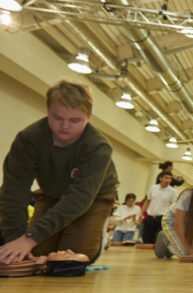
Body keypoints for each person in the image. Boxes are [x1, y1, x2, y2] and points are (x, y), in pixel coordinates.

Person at [0, 80, 118, 264]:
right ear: (48, 112)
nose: (65, 126)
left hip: (94, 198)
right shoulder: (28, 139)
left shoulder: (98, 147)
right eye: (57, 118)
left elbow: (79, 198)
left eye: (75, 120)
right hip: (51, 194)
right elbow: (14, 191)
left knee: (72, 257)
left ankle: (97, 241)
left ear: (89, 117)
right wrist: (16, 239)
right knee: (37, 253)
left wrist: (30, 238)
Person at [142, 172, 177, 244]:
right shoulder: (153, 188)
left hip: (162, 218)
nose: (168, 180)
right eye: (166, 178)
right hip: (150, 217)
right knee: (146, 240)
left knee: (158, 241)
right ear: (161, 178)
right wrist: (141, 213)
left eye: (170, 179)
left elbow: (174, 206)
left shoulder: (173, 191)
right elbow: (147, 201)